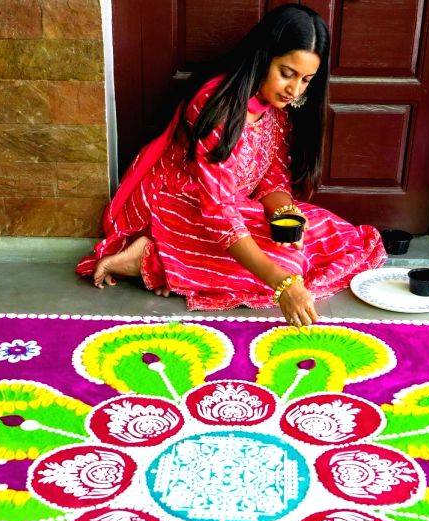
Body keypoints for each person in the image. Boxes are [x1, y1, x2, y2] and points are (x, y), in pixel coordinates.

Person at [76, 5, 386, 328]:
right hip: (178, 206)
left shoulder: (274, 104)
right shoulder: (220, 108)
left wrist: (284, 215)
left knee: (340, 239)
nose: (295, 90)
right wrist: (282, 285)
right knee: (287, 267)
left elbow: (272, 175)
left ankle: (176, 262)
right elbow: (219, 213)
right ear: (264, 57)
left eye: (306, 80)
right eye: (287, 73)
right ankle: (150, 257)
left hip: (231, 206)